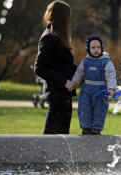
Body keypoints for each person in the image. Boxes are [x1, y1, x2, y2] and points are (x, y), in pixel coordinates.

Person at [34, 0, 76, 134]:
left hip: (63, 97)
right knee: (51, 141)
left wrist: (87, 70)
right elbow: (40, 68)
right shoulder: (49, 38)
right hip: (57, 96)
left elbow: (65, 66)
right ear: (63, 18)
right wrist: (64, 82)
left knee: (62, 142)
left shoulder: (58, 37)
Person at [67, 34, 117, 135]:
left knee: (99, 109)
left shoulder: (106, 62)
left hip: (100, 90)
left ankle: (96, 128)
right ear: (88, 49)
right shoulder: (85, 62)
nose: (96, 50)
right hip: (86, 89)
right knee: (84, 108)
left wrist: (111, 88)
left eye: (98, 47)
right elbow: (79, 73)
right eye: (93, 47)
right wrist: (74, 83)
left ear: (102, 48)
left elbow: (111, 75)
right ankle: (86, 128)